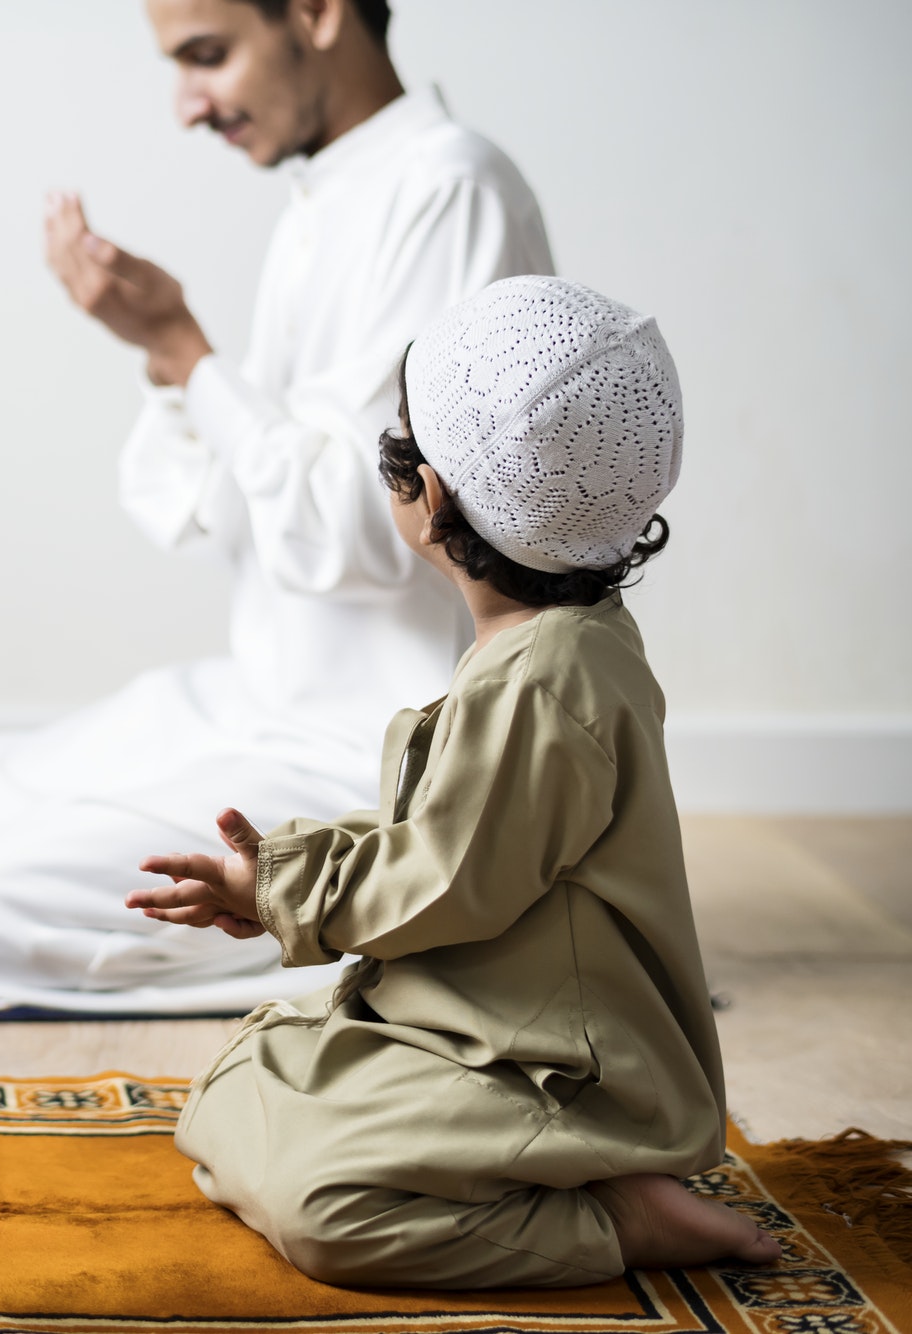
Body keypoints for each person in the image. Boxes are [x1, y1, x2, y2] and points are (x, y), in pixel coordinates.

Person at [0, 0, 554, 1012]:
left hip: (377, 743)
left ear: (315, 13)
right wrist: (169, 367)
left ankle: (419, 919)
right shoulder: (324, 199)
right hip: (264, 697)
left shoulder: (446, 189)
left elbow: (369, 535)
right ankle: (345, 912)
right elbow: (232, 520)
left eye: (206, 57)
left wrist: (185, 354)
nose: (186, 106)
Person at [129, 276, 780, 1286]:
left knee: (325, 1208)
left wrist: (286, 894)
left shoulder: (547, 677)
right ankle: (519, 1168)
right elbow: (452, 831)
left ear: (426, 498)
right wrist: (286, 870)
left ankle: (611, 1214)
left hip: (561, 1067)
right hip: (472, 1019)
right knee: (234, 1086)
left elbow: (448, 871)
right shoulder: (549, 645)